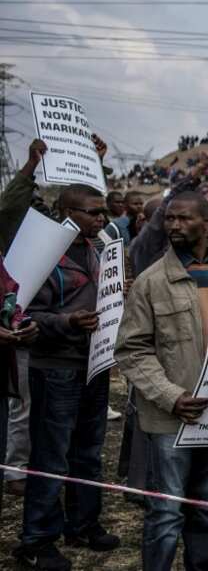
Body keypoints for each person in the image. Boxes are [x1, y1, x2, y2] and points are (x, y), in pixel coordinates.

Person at [114, 191, 208, 571]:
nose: (174, 225)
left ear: (207, 223)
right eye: (169, 219)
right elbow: (132, 351)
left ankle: (201, 564)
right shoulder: (150, 283)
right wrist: (171, 397)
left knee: (207, 507)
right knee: (166, 512)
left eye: (184, 219)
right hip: (171, 419)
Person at [15, 184, 121, 571]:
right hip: (56, 366)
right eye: (92, 212)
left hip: (93, 363)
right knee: (51, 454)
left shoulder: (98, 251)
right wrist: (68, 321)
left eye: (103, 212)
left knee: (88, 452)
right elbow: (20, 313)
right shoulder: (43, 255)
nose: (101, 219)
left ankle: (82, 523)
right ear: (65, 211)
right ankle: (37, 540)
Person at [1, 140, 45, 507]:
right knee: (23, 404)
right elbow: (8, 206)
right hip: (14, 327)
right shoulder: (12, 231)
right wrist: (30, 167)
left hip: (39, 326)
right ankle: (15, 470)